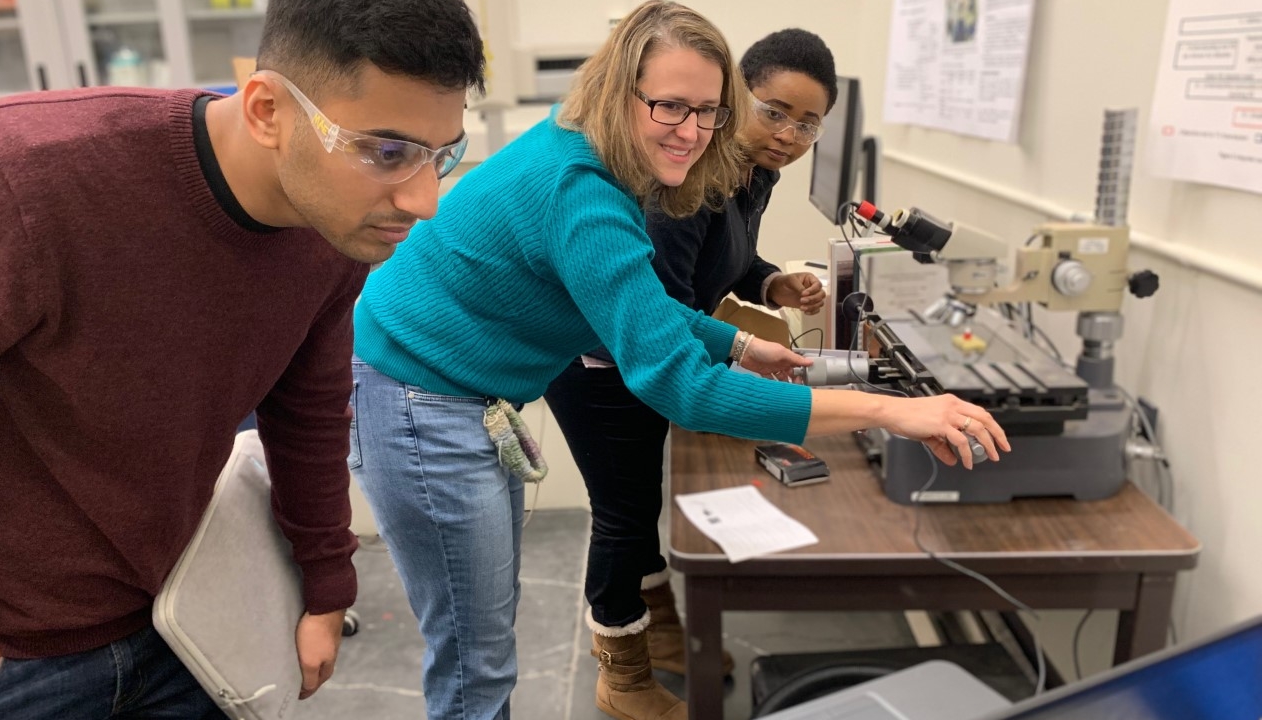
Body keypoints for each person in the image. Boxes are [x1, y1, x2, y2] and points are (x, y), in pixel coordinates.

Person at [349, 3, 1009, 719]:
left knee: (485, 636)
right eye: (669, 105)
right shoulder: (586, 191)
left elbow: (642, 300)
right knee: (475, 664)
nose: (692, 131)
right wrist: (892, 410)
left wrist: (741, 343)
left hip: (462, 391)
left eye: (708, 111)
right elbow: (681, 387)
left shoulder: (600, 156)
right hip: (417, 395)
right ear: (618, 88)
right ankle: (618, 670)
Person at [0, 1, 484, 717]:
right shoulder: (22, 175)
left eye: (442, 154)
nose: (424, 199)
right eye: (387, 150)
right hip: (16, 659)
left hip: (185, 617)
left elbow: (307, 410)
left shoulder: (335, 223)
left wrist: (325, 585)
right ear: (266, 109)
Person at [541, 27, 840, 696]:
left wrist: (770, 282)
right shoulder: (688, 182)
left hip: (640, 342)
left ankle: (661, 624)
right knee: (622, 511)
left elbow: (722, 262)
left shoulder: (751, 173)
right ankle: (623, 675)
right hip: (600, 362)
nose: (788, 134)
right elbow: (662, 304)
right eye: (774, 111)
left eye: (807, 122)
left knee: (639, 498)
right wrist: (736, 363)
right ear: (738, 97)